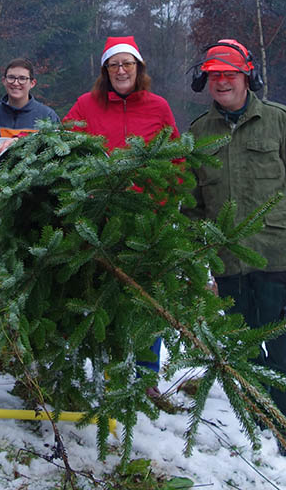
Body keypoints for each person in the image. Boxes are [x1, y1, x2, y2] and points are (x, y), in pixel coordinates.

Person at [187, 39, 286, 440]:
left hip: (276, 256)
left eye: (229, 76)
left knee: (282, 343)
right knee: (242, 345)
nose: (222, 83)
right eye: (215, 77)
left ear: (247, 78)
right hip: (228, 261)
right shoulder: (200, 130)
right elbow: (191, 202)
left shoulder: (279, 120)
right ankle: (255, 419)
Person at [64, 36, 178, 382]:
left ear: (138, 68)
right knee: (103, 299)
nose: (121, 70)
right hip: (100, 219)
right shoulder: (87, 104)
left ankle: (144, 375)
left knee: (147, 297)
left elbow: (175, 159)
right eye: (114, 65)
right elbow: (63, 141)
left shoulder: (158, 107)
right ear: (105, 71)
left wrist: (163, 204)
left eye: (127, 64)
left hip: (147, 219)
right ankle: (107, 371)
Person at [0, 57, 60, 135]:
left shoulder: (47, 116)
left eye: (22, 78)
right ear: (4, 81)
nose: (16, 83)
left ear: (32, 83)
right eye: (11, 77)